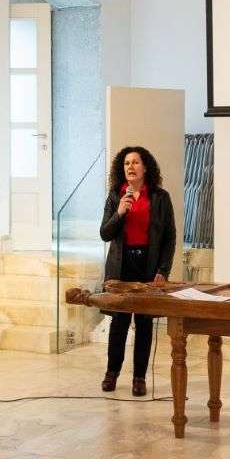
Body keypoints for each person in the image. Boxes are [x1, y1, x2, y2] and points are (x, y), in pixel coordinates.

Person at [98, 146, 177, 398]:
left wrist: (163, 269)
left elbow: (169, 237)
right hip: (120, 266)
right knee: (119, 324)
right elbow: (104, 234)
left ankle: (139, 378)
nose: (130, 167)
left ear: (145, 168)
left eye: (135, 163)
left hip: (148, 266)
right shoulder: (115, 196)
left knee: (143, 324)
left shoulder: (160, 197)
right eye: (126, 163)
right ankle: (112, 373)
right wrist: (120, 212)